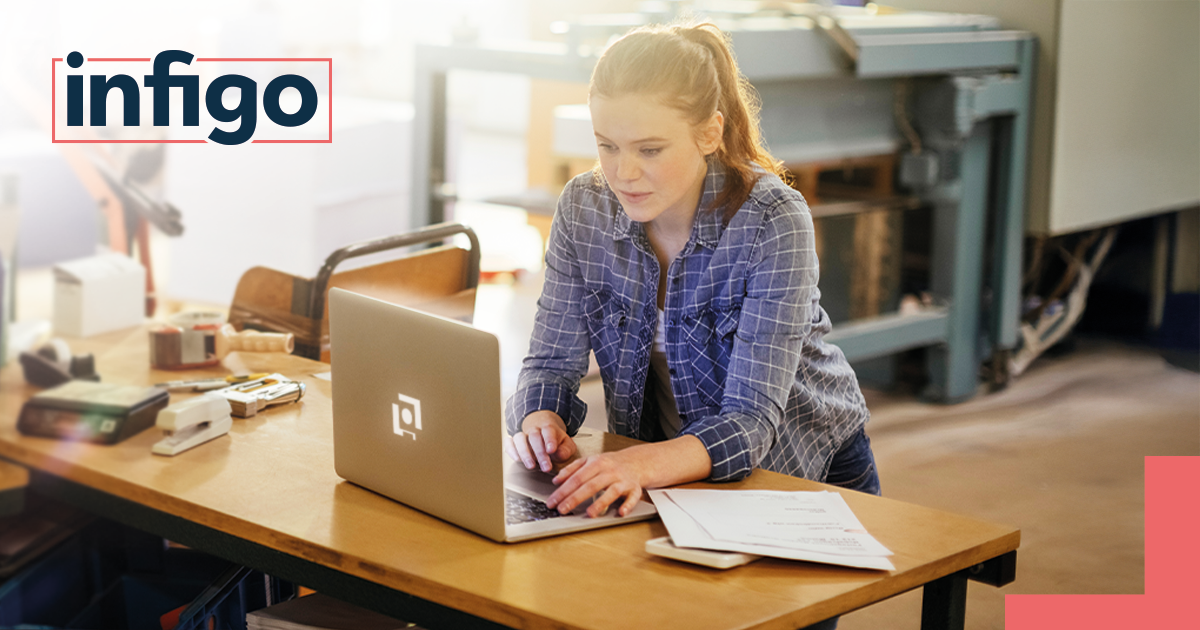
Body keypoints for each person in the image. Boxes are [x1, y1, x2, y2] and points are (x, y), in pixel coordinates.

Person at [503, 22, 879, 523]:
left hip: (802, 472)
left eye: (649, 149)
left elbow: (750, 422)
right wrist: (540, 419)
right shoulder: (583, 206)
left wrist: (637, 462)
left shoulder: (772, 219)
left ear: (709, 134)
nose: (623, 173)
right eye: (607, 146)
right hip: (668, 473)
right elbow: (549, 364)